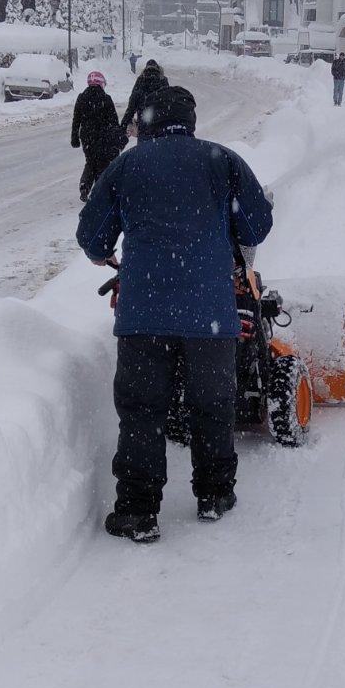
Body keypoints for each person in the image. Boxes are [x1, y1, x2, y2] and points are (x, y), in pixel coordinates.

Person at [77, 85, 274, 544]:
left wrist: (105, 252)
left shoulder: (126, 166)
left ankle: (138, 512)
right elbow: (256, 225)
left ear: (144, 123)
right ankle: (214, 495)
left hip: (143, 316)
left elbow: (92, 237)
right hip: (210, 315)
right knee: (212, 405)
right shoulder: (220, 160)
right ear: (191, 119)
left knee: (143, 411)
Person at [70, 70, 124, 201]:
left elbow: (76, 119)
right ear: (101, 84)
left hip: (87, 137)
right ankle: (99, 191)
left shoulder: (81, 98)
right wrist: (117, 138)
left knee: (90, 162)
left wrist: (75, 138)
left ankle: (84, 186)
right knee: (102, 163)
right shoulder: (106, 99)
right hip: (102, 137)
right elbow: (113, 121)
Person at [120, 57, 169, 139]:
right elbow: (168, 102)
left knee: (143, 150)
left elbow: (132, 104)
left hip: (144, 127)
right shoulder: (163, 80)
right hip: (161, 126)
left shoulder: (141, 80)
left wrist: (124, 125)